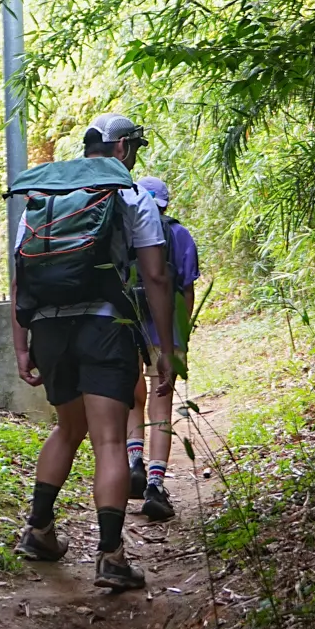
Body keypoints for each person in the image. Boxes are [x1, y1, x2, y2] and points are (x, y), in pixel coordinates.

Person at [11, 110, 172, 593]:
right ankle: (111, 556)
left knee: (68, 427)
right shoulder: (131, 195)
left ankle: (38, 530)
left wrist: (23, 345)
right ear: (123, 149)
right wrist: (161, 347)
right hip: (103, 325)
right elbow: (156, 276)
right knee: (107, 440)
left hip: (49, 329)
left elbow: (20, 276)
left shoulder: (47, 197)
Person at [125, 176, 201, 522]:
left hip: (127, 327)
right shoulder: (180, 235)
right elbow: (185, 291)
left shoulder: (124, 231)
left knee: (132, 399)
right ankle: (155, 485)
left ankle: (134, 462)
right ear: (166, 205)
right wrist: (180, 338)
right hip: (165, 331)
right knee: (161, 406)